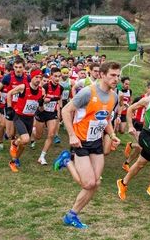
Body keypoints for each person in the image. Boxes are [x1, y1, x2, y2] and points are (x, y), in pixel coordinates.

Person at [54, 62, 121, 229]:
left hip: (96, 142)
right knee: (89, 184)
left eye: (118, 75)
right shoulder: (87, 92)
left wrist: (112, 135)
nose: (116, 79)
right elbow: (65, 111)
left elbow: (105, 119)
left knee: (96, 182)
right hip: (80, 142)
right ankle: (67, 161)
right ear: (102, 75)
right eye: (112, 75)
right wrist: (71, 135)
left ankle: (71, 215)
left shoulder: (114, 97)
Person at [6, 70, 44, 172]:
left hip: (30, 118)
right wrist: (9, 108)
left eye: (40, 78)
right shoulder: (23, 87)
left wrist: (41, 104)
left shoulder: (42, 91)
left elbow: (40, 109)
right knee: (26, 139)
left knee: (24, 144)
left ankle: (13, 161)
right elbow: (9, 93)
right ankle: (14, 143)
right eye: (36, 77)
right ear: (31, 77)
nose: (38, 80)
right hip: (19, 116)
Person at [122, 81, 150, 172]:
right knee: (141, 146)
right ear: (147, 89)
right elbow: (131, 108)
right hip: (137, 124)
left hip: (146, 127)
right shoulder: (140, 99)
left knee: (139, 148)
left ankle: (128, 157)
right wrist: (131, 120)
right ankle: (129, 162)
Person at [35, 67, 64, 164]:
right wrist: (44, 103)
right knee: (38, 136)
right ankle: (33, 131)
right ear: (51, 76)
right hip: (42, 112)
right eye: (55, 76)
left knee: (51, 135)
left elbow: (59, 100)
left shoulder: (61, 88)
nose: (57, 78)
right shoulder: (46, 87)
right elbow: (40, 100)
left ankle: (42, 157)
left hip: (52, 113)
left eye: (59, 76)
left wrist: (60, 111)